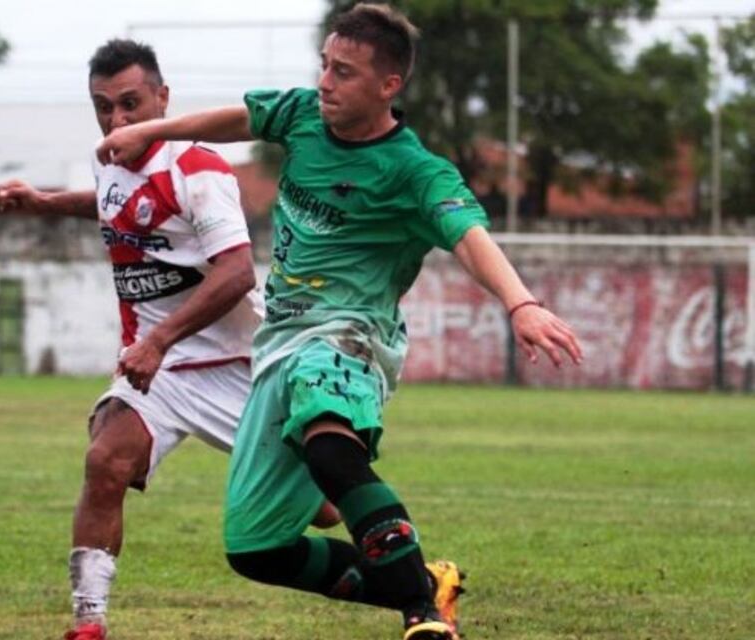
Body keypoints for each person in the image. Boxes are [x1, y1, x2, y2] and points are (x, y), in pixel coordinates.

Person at [98, 5, 583, 640]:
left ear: (389, 86)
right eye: (325, 65)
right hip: (279, 345)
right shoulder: (303, 116)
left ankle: (423, 619)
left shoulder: (416, 172)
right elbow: (240, 118)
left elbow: (468, 237)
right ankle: (423, 582)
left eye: (344, 72)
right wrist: (155, 131)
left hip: (349, 338)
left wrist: (521, 303)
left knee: (329, 442)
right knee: (256, 548)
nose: (325, 81)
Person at [0, 39, 339, 640]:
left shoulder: (199, 169)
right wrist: (46, 202)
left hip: (235, 363)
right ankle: (88, 623)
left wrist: (158, 342)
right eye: (103, 106)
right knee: (105, 460)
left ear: (163, 97)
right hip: (158, 368)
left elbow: (236, 273)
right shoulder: (108, 158)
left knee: (326, 506)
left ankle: (415, 579)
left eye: (131, 103)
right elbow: (116, 208)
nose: (117, 120)